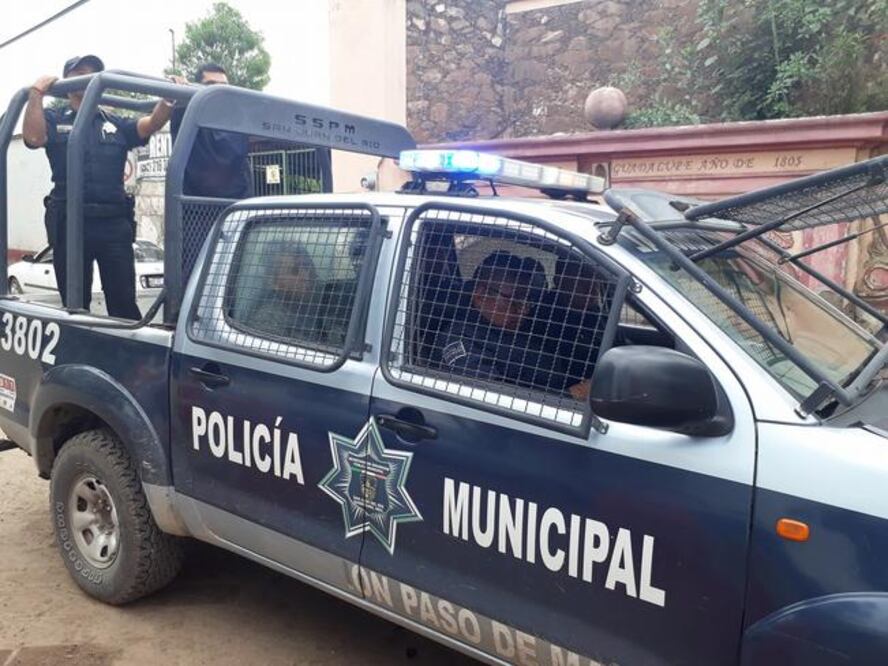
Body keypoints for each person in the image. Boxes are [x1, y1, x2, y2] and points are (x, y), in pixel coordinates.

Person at [23, 55, 175, 318]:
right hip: (71, 222)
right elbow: (33, 137)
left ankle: (126, 356)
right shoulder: (54, 116)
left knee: (123, 301)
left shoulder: (114, 122)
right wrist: (36, 93)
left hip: (112, 223)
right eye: (79, 72)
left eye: (93, 73)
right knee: (74, 303)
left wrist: (168, 98)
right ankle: (77, 353)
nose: (87, 76)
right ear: (67, 81)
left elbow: (151, 124)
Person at [436, 251, 571, 394]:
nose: (523, 310)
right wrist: (571, 395)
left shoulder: (519, 323)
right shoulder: (461, 339)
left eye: (527, 299)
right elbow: (491, 396)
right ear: (481, 295)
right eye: (515, 299)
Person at [169, 63, 254, 199]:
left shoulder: (238, 122)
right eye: (211, 85)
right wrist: (178, 92)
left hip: (235, 209)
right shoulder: (186, 114)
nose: (218, 92)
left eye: (224, 86)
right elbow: (168, 110)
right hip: (195, 209)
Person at [534, 255, 611, 400]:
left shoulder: (595, 313)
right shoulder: (545, 317)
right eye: (581, 277)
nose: (591, 285)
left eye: (594, 277)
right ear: (559, 280)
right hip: (569, 403)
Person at [242, 243, 320, 342]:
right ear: (273, 282)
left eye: (306, 267)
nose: (305, 276)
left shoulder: (317, 304)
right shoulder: (268, 323)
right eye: (294, 271)